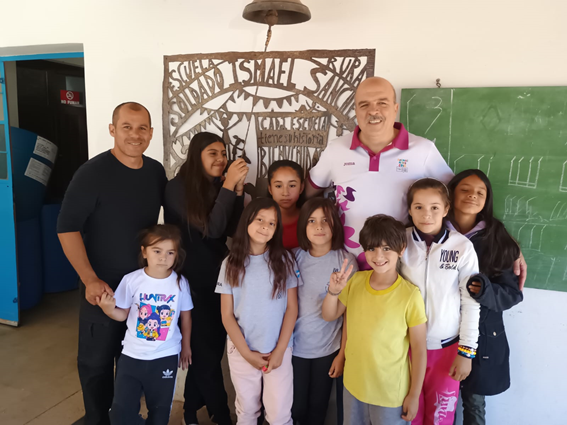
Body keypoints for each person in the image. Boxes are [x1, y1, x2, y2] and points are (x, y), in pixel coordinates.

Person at [57, 102, 166, 425]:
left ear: (151, 133)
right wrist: (89, 278)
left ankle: (124, 417)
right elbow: (67, 228)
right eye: (127, 127)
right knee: (96, 363)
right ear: (112, 130)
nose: (135, 135)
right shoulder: (92, 173)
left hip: (143, 289)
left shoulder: (155, 172)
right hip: (103, 287)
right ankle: (96, 419)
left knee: (133, 361)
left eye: (142, 128)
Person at [305, 77, 453, 269]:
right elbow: (309, 192)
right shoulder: (336, 149)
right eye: (364, 104)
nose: (373, 111)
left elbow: (451, 198)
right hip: (347, 265)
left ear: (395, 108)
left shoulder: (423, 151)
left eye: (382, 103)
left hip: (403, 267)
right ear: (356, 110)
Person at [164, 131, 248, 425]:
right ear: (196, 155)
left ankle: (190, 411)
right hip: (190, 283)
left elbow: (233, 230)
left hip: (219, 280)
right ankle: (221, 416)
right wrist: (228, 185)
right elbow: (210, 229)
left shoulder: (216, 186)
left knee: (208, 352)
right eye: (213, 153)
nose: (221, 159)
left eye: (223, 153)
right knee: (205, 354)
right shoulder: (176, 188)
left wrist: (237, 191)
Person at [322, 214, 427, 425]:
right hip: (354, 384)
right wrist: (333, 292)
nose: (378, 256)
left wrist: (414, 394)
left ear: (401, 249)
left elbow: (418, 348)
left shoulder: (409, 295)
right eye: (371, 248)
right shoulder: (356, 281)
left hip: (390, 393)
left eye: (386, 248)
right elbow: (331, 316)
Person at [400, 178, 480, 425]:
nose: (427, 214)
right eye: (419, 207)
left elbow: (471, 302)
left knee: (440, 419)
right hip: (404, 348)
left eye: (435, 207)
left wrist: (466, 351)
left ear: (446, 209)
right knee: (408, 416)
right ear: (409, 209)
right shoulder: (399, 241)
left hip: (447, 350)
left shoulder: (462, 247)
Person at [447, 170, 523, 425]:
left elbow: (512, 294)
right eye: (465, 189)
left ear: (487, 200)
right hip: (438, 332)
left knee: (474, 404)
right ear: (451, 193)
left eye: (480, 192)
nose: (472, 195)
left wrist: (485, 291)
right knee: (439, 401)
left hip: (481, 336)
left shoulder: (497, 238)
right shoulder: (432, 229)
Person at [96, 224, 193, 425]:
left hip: (165, 356)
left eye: (170, 252)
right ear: (144, 251)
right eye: (157, 251)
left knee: (159, 413)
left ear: (177, 255)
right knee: (120, 414)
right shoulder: (132, 280)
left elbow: (186, 317)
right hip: (132, 355)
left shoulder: (180, 283)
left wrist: (186, 347)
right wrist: (108, 309)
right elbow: (122, 314)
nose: (163, 257)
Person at [216, 198, 300, 425]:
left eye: (272, 223)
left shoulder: (285, 260)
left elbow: (292, 308)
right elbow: (226, 315)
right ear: (247, 221)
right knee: (246, 411)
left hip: (278, 350)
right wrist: (246, 353)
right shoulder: (230, 263)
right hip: (242, 350)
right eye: (260, 220)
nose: (265, 226)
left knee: (280, 414)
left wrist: (280, 350)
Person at [291, 198, 358, 425]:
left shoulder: (346, 261)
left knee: (318, 409)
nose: (319, 226)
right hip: (294, 349)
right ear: (303, 225)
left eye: (325, 220)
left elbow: (349, 315)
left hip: (328, 351)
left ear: (335, 225)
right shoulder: (293, 258)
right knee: (295, 408)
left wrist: (342, 354)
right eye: (312, 221)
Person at [267, 160, 305, 249]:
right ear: (270, 189)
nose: (285, 193)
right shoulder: (258, 220)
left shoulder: (311, 219)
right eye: (278, 186)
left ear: (301, 188)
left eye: (292, 186)